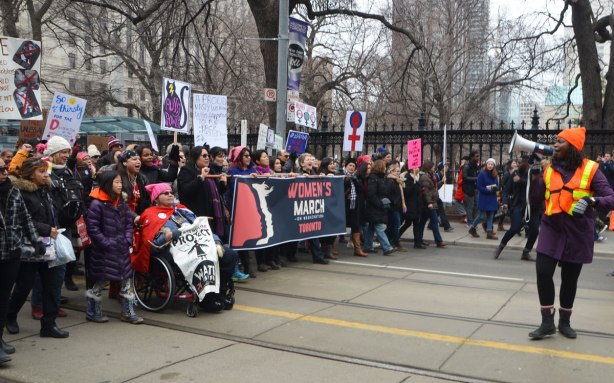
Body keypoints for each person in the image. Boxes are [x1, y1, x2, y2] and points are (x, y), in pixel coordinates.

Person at [528, 127, 614, 340]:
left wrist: (591, 201)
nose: (555, 145)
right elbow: (536, 199)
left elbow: (610, 198)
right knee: (543, 271)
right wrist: (536, 173)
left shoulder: (591, 169)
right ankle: (547, 323)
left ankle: (564, 322)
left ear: (573, 146)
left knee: (569, 279)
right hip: (552, 228)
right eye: (555, 141)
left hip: (577, 231)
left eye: (560, 141)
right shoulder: (549, 169)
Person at [134, 183, 239, 312]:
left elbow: (202, 228)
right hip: (177, 252)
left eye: (171, 192)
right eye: (165, 193)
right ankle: (206, 299)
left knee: (230, 254)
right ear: (156, 198)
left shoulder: (182, 210)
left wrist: (216, 241)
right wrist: (167, 237)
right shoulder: (150, 215)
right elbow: (152, 246)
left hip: (200, 244)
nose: (170, 194)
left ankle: (220, 292)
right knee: (202, 259)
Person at [6, 158, 69, 338]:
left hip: (50, 245)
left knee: (53, 286)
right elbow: (21, 220)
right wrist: (45, 229)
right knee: (24, 286)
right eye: (41, 172)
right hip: (30, 247)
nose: (45, 175)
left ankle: (49, 325)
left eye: (46, 171)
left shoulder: (47, 190)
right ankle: (10, 316)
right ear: (29, 174)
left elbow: (55, 213)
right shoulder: (20, 193)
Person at [85, 169, 143, 324]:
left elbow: (128, 223)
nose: (120, 185)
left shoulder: (122, 202)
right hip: (104, 250)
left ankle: (128, 312)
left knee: (126, 279)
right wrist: (105, 242)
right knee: (101, 280)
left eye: (120, 182)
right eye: (116, 182)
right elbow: (93, 228)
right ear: (107, 184)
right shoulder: (97, 204)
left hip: (122, 247)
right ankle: (93, 311)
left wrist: (127, 239)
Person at [0, 158, 42, 364]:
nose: (3, 172)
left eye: (4, 169)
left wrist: (36, 241)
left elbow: (25, 219)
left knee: (3, 297)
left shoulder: (12, 191)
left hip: (11, 252)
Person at [493, 155, 535, 261]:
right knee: (515, 228)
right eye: (518, 162)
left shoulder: (532, 174)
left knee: (534, 230)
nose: (518, 164)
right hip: (518, 206)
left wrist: (520, 181)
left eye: (521, 162)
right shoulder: (514, 174)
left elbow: (533, 186)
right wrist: (505, 203)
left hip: (531, 207)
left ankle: (526, 252)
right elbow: (506, 190)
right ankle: (501, 246)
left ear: (527, 164)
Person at [363, 159, 396, 255]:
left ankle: (367, 246)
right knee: (379, 227)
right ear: (380, 168)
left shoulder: (381, 178)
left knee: (372, 227)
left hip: (378, 206)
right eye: (384, 166)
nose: (385, 168)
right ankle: (387, 247)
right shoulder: (373, 178)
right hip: (374, 207)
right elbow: (371, 194)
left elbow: (385, 191)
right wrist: (379, 204)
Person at [416, 160, 447, 248]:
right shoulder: (425, 177)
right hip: (428, 204)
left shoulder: (429, 176)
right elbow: (425, 191)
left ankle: (419, 240)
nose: (434, 168)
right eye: (433, 166)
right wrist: (429, 202)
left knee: (422, 222)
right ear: (429, 167)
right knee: (434, 221)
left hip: (428, 203)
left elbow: (433, 188)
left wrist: (441, 182)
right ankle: (439, 241)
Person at [468, 158, 500, 240]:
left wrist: (495, 188)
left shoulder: (495, 174)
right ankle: (472, 228)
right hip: (484, 197)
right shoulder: (482, 174)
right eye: (489, 164)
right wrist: (487, 190)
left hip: (492, 197)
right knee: (481, 215)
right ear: (486, 165)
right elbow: (479, 186)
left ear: (494, 166)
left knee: (490, 216)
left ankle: (489, 233)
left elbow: (497, 184)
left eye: (492, 164)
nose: (490, 166)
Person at [343, 158, 367, 257]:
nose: (352, 168)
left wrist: (355, 180)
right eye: (350, 165)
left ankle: (357, 249)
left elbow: (361, 189)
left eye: (353, 166)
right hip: (344, 204)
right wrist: (347, 181)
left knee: (356, 225)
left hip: (354, 204)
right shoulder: (341, 175)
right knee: (340, 225)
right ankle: (331, 248)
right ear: (346, 166)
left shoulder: (355, 177)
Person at [385, 162, 407, 251]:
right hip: (393, 207)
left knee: (391, 225)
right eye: (396, 171)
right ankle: (396, 242)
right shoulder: (391, 181)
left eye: (399, 171)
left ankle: (386, 240)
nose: (398, 173)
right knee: (396, 225)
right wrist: (394, 202)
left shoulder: (398, 181)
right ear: (391, 172)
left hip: (397, 207)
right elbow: (388, 194)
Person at [462, 151, 480, 223]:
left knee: (476, 205)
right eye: (476, 156)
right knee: (470, 206)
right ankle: (470, 221)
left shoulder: (475, 165)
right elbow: (465, 177)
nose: (478, 158)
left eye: (478, 156)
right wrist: (476, 178)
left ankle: (474, 220)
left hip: (475, 187)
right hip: (468, 189)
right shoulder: (467, 165)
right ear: (472, 157)